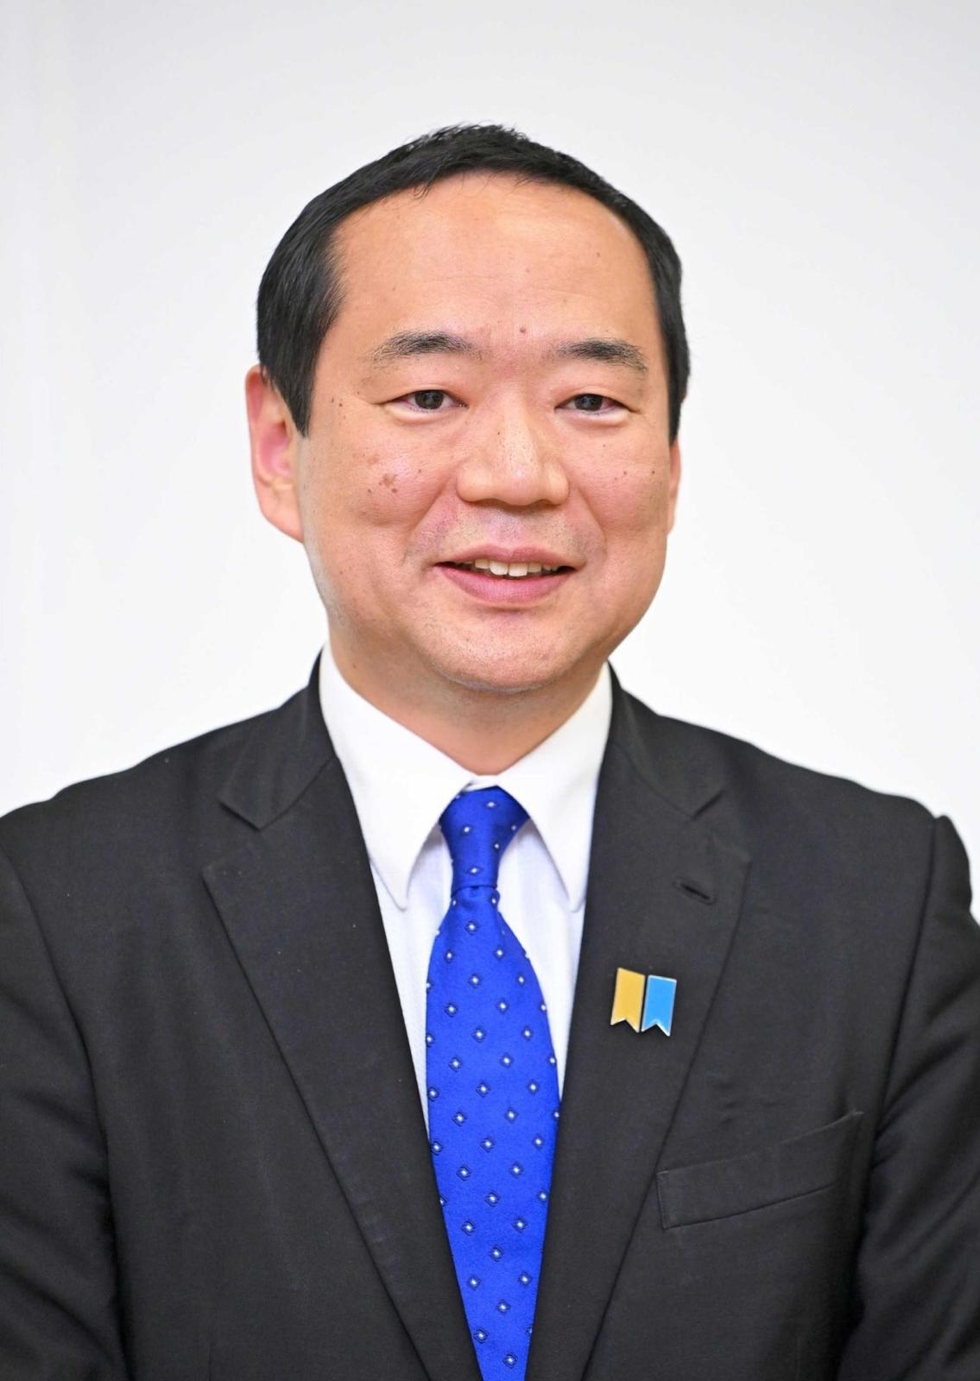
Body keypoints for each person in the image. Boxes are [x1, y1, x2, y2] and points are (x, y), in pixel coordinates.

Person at [0, 125, 977, 1381]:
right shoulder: (59, 912)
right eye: (428, 396)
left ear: (670, 458)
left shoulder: (872, 900)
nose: (517, 474)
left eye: (590, 401)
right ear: (278, 445)